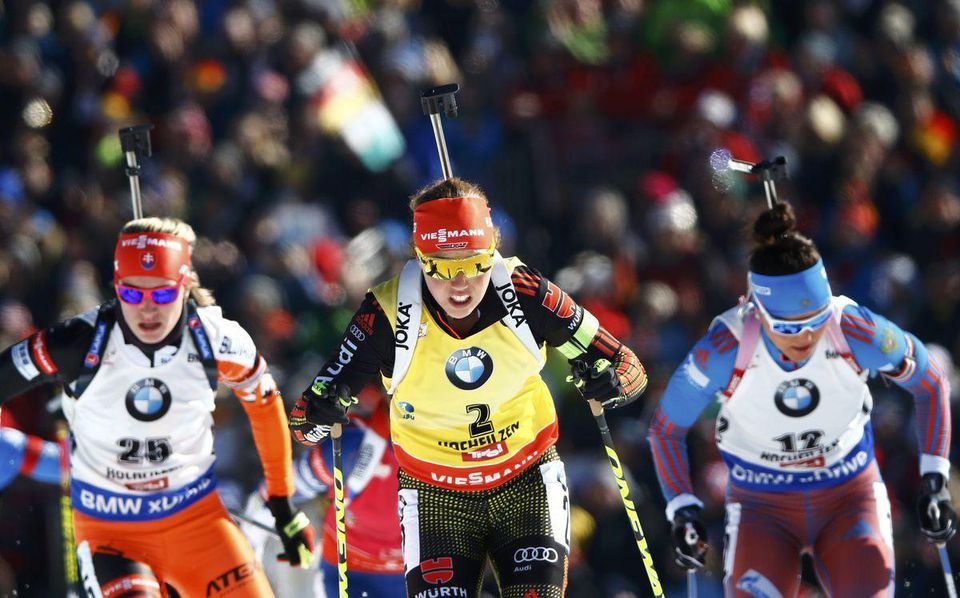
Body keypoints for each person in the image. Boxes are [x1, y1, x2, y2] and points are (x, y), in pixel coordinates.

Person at [288, 177, 649, 598]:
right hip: (436, 495)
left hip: (525, 481)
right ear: (420, 258)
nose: (459, 284)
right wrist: (321, 412)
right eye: (441, 267)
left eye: (475, 264)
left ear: (493, 252)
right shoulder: (386, 315)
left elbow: (629, 366)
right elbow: (303, 422)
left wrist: (609, 384)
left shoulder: (525, 292)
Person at [648, 202, 955, 597]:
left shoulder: (853, 328)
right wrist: (682, 508)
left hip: (849, 497)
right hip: (763, 509)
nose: (807, 338)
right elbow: (665, 430)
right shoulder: (726, 346)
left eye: (816, 320)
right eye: (789, 328)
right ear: (757, 312)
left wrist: (935, 477)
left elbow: (931, 382)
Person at [0, 217, 315, 597]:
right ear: (116, 289)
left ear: (184, 288)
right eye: (132, 295)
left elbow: (265, 408)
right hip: (111, 533)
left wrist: (282, 503)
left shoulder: (218, 341)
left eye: (162, 294)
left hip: (197, 523)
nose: (147, 309)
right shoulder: (80, 342)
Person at [243, 387, 404, 597]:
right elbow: (273, 494)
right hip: (349, 572)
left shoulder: (452, 445)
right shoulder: (354, 447)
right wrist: (246, 554)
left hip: (420, 570)